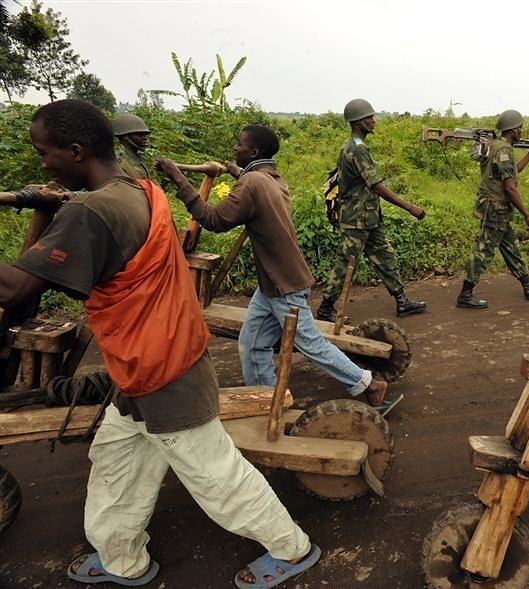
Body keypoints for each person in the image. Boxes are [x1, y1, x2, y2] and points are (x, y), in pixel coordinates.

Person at [0, 99, 320, 588]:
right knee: (115, 462)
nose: (42, 164)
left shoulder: (92, 212)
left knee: (214, 475)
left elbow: (16, 292)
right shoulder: (139, 190)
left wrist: (50, 214)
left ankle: (292, 549)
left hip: (162, 371)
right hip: (144, 365)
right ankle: (122, 559)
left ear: (76, 150)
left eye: (45, 152)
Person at [155, 124, 399, 414]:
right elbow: (253, 186)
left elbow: (214, 221)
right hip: (274, 282)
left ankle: (368, 384)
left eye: (239, 144)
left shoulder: (252, 183)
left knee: (310, 344)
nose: (235, 148)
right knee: (252, 343)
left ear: (254, 152)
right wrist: (236, 170)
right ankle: (266, 399)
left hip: (282, 282)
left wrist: (177, 177)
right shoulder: (271, 177)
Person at [316, 98, 427, 323]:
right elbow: (376, 186)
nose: (374, 122)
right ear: (358, 122)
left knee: (386, 257)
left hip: (368, 218)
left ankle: (402, 301)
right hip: (356, 219)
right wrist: (410, 208)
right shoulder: (357, 149)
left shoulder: (354, 145)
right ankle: (326, 310)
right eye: (370, 118)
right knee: (346, 264)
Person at [456, 109, 529, 309]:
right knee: (483, 250)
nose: (522, 131)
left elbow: (512, 172)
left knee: (510, 247)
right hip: (496, 208)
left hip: (496, 208)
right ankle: (465, 294)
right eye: (520, 128)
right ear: (513, 130)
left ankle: (527, 285)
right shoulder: (504, 150)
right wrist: (527, 215)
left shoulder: (495, 146)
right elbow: (510, 187)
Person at [111, 113, 153, 181]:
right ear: (125, 137)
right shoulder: (118, 161)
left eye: (145, 135)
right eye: (139, 135)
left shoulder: (140, 160)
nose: (145, 138)